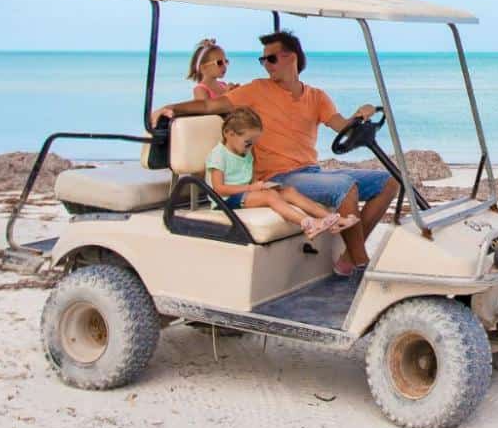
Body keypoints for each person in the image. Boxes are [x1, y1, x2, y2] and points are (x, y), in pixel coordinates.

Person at [155, 30, 396, 273]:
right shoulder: (257, 90)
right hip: (278, 178)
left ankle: (349, 259)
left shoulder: (317, 97)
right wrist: (171, 108)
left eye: (271, 59)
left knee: (389, 182)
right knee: (346, 186)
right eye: (263, 60)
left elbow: (344, 127)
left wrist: (361, 113)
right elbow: (209, 104)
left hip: (310, 172)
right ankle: (362, 266)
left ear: (291, 58)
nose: (265, 66)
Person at [205, 107, 344, 251]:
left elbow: (249, 179)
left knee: (288, 191)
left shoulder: (246, 153)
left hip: (244, 194)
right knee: (270, 196)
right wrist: (251, 188)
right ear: (229, 134)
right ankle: (309, 224)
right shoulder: (219, 155)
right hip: (226, 201)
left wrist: (260, 186)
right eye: (247, 142)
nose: (250, 147)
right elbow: (219, 189)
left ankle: (333, 219)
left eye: (253, 143)